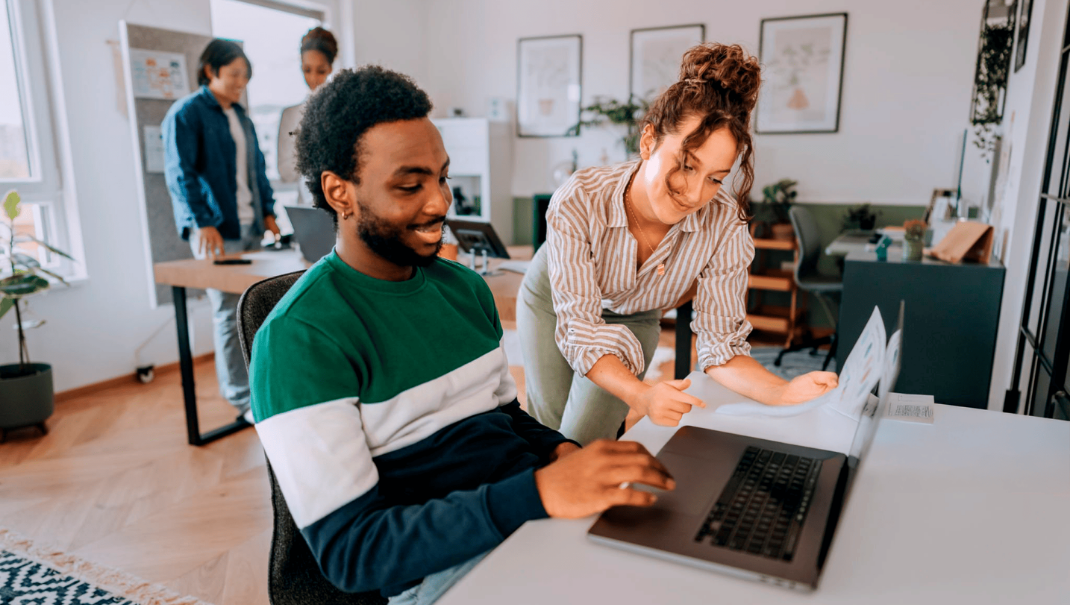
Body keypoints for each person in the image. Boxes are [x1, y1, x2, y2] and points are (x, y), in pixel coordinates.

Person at [248, 66, 675, 605]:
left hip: (530, 522)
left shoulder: (463, 290)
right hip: (446, 574)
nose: (440, 203)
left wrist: (563, 455)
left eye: (442, 177)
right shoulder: (298, 339)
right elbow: (352, 552)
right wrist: (537, 493)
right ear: (340, 193)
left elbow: (503, 420)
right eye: (410, 186)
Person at [517, 43, 839, 445]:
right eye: (686, 165)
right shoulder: (581, 197)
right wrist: (642, 394)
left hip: (635, 316)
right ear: (648, 140)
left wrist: (783, 392)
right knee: (547, 433)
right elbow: (579, 328)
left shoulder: (723, 223)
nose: (694, 192)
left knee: (585, 442)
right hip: (554, 302)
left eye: (716, 177)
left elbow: (721, 345)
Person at [163, 39, 280, 422]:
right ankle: (241, 399)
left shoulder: (242, 118)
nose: (240, 83)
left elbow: (257, 171)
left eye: (245, 76)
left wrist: (268, 213)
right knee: (227, 313)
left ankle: (262, 391)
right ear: (210, 71)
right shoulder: (187, 113)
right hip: (216, 231)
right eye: (233, 75)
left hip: (250, 227)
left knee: (257, 309)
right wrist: (203, 222)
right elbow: (181, 175)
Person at [277, 26, 337, 205]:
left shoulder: (343, 111)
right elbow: (287, 172)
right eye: (307, 70)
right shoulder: (290, 115)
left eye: (321, 70)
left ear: (330, 68)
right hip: (307, 208)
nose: (313, 78)